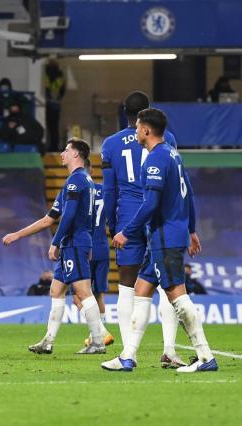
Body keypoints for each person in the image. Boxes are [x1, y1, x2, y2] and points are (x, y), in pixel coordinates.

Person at [102, 108, 218, 373]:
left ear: (146, 130)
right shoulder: (174, 154)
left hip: (165, 237)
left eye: (138, 127)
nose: (136, 131)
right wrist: (191, 229)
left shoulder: (155, 159)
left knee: (178, 296)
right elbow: (188, 194)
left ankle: (205, 357)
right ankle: (127, 356)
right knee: (142, 289)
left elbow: (151, 203)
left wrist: (127, 231)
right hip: (166, 235)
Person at [101, 90, 185, 368]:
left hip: (128, 216)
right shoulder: (166, 138)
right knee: (167, 285)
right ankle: (169, 350)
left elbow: (109, 190)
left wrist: (112, 223)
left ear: (124, 111)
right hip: (158, 213)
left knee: (127, 285)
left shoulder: (110, 144)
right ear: (146, 112)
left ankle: (128, 353)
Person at [3, 141, 106, 355]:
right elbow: (48, 219)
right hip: (72, 242)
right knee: (56, 290)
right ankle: (48, 341)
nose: (62, 154)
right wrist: (18, 235)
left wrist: (55, 242)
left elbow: (68, 216)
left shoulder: (77, 180)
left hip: (75, 242)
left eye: (66, 150)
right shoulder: (77, 181)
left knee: (83, 291)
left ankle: (98, 341)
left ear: (76, 154)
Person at [75, 159, 113, 349]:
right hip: (102, 247)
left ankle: (100, 332)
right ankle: (97, 339)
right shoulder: (105, 191)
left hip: (84, 247)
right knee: (98, 294)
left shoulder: (79, 190)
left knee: (78, 295)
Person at [44, 59, 66, 152]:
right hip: (56, 103)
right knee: (54, 127)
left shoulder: (46, 73)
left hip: (48, 102)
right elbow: (62, 90)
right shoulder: (60, 75)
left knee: (50, 126)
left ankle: (51, 146)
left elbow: (47, 88)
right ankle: (54, 146)